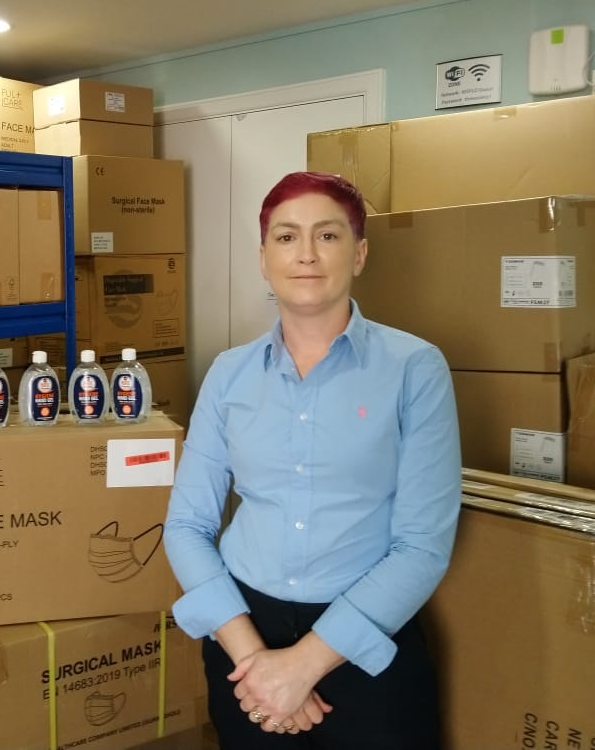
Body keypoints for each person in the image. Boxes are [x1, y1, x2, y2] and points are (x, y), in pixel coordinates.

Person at [163, 171, 460, 747]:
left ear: (360, 253)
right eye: (285, 236)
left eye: (327, 236)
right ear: (263, 256)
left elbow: (423, 545)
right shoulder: (229, 373)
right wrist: (256, 663)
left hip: (366, 640)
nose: (305, 254)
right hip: (243, 633)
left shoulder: (414, 369)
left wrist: (301, 668)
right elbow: (186, 525)